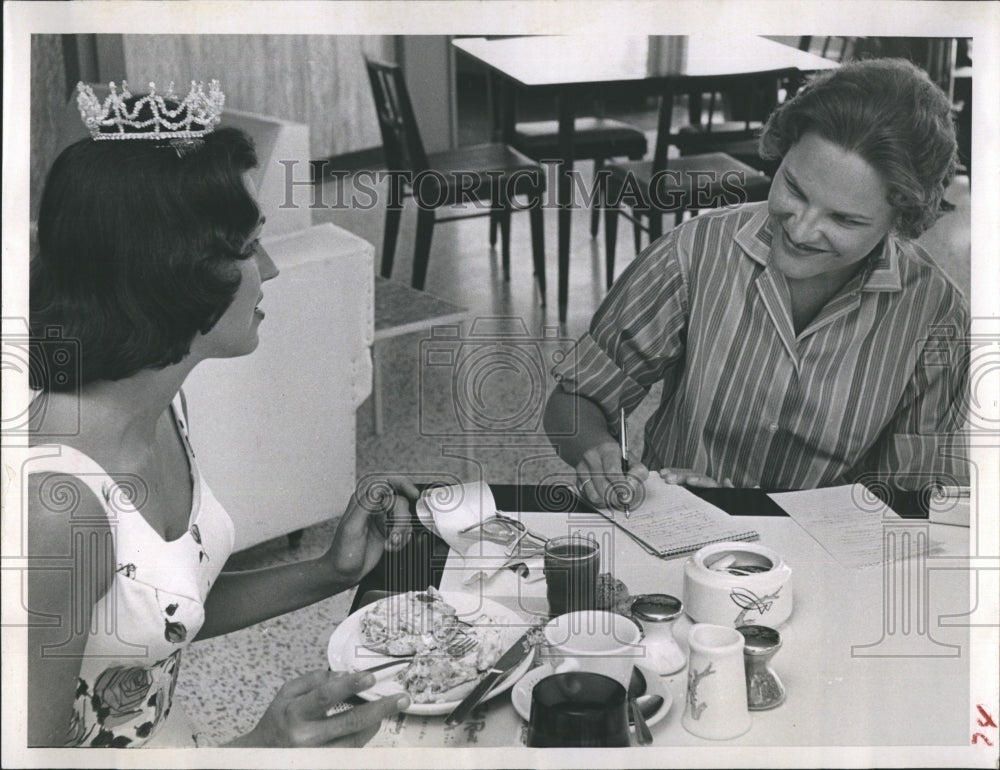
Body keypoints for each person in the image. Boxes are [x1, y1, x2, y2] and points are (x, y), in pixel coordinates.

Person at [26, 81, 414, 748]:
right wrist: (260, 749)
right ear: (174, 272)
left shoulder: (160, 406)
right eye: (247, 246)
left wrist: (330, 570)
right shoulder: (55, 510)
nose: (270, 268)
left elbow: (163, 608)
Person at [544, 58, 969, 509]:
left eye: (844, 219)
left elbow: (907, 500)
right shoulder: (696, 250)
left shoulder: (936, 314)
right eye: (794, 189)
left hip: (822, 544)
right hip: (676, 527)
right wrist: (598, 452)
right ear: (782, 152)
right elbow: (579, 398)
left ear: (902, 218)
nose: (801, 230)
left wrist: (753, 509)